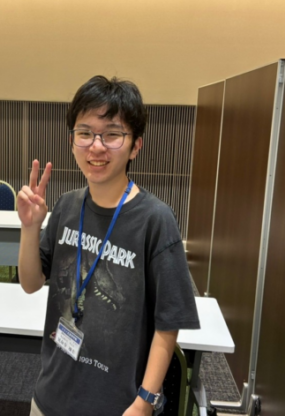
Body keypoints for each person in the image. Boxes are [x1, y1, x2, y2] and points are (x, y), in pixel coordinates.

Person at [17, 76, 200, 416]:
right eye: (85, 133)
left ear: (135, 146)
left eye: (112, 135)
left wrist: (144, 402)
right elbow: (30, 283)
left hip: (117, 405)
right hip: (50, 397)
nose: (96, 147)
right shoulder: (67, 206)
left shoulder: (155, 220)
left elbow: (168, 322)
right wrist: (30, 228)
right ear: (72, 140)